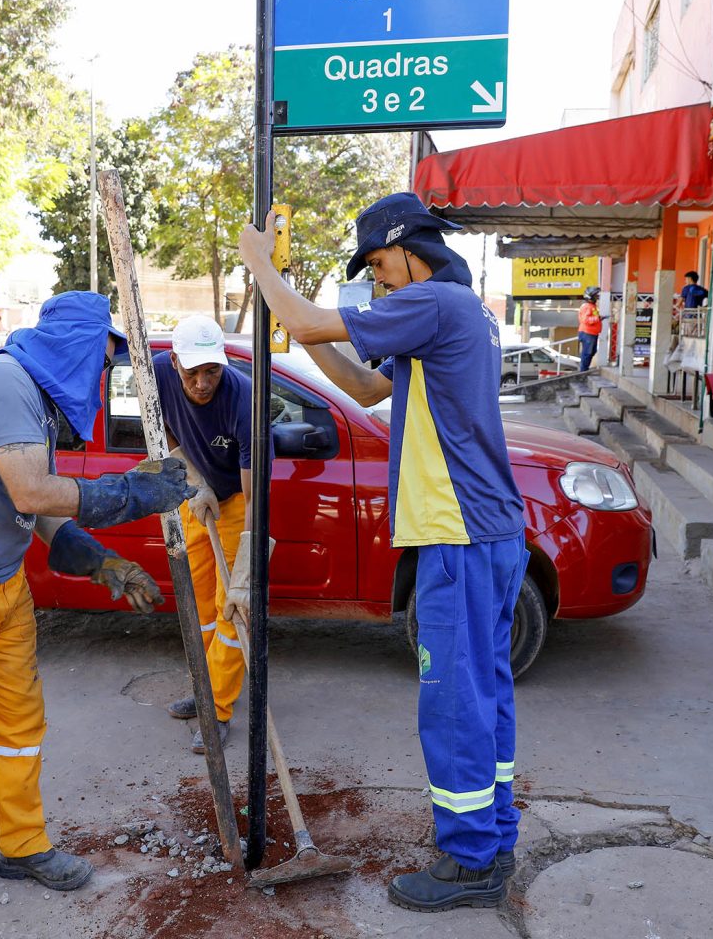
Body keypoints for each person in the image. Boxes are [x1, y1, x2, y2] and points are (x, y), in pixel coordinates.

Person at [235, 193, 526, 913]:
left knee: (454, 700)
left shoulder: (434, 302)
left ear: (405, 248)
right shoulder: (461, 313)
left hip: (457, 534)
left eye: (376, 262)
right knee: (484, 691)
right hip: (487, 533)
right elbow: (367, 386)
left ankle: (468, 862)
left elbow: (302, 316)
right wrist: (308, 334)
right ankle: (493, 832)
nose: (377, 278)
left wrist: (259, 265)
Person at [0, 291, 196, 906]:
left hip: (1, 582)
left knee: (16, 726)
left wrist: (101, 562)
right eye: (101, 360)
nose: (103, 377)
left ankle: (21, 844)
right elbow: (32, 491)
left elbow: (38, 511)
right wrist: (130, 496)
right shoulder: (4, 381)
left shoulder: (35, 399)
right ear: (77, 347)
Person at [153, 314, 270, 754]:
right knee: (200, 603)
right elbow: (158, 427)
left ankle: (218, 709)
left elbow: (253, 484)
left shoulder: (243, 399)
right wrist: (195, 478)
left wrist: (247, 559)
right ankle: (204, 688)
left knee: (232, 607)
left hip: (239, 500)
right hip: (194, 493)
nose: (203, 383)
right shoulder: (157, 373)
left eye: (212, 371)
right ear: (175, 361)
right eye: (193, 372)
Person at [577, 285, 602, 372]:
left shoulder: (591, 306)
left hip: (592, 333)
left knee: (592, 351)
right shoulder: (587, 306)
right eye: (595, 296)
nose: (597, 297)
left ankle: (584, 370)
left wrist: (598, 318)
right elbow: (585, 320)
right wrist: (598, 318)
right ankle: (583, 371)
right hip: (587, 333)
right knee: (587, 352)